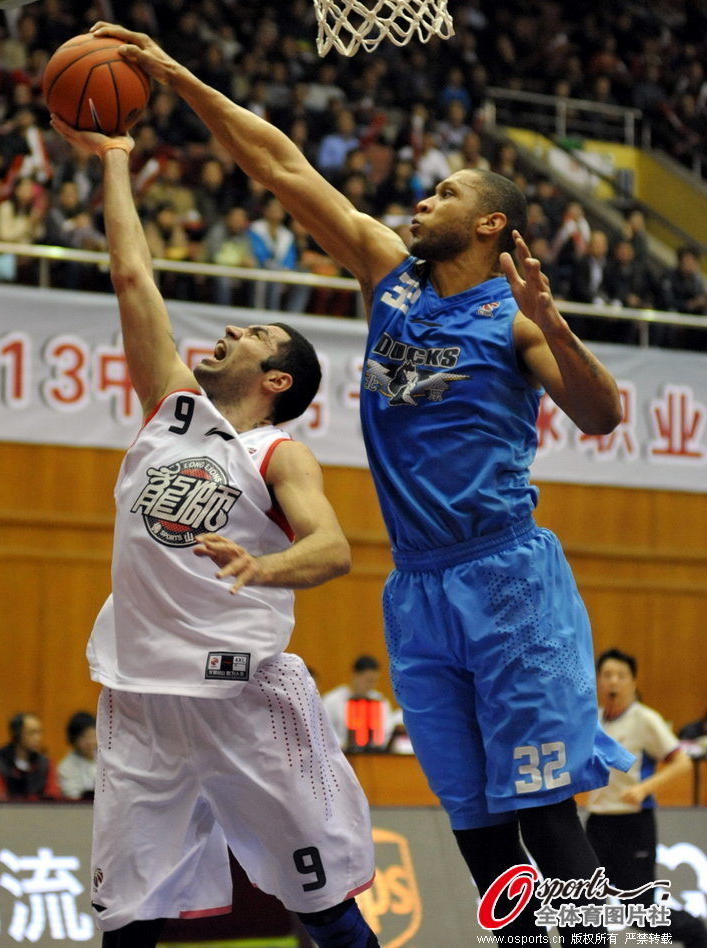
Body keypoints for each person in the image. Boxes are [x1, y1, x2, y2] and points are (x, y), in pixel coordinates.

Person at [94, 21, 635, 944]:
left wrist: (557, 324)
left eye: (445, 194)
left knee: (546, 818)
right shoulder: (390, 278)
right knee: (476, 830)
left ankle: (652, 935)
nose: (423, 202)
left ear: (490, 223)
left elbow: (602, 415)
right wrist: (180, 76)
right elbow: (280, 166)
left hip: (506, 578)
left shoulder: (514, 323)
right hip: (418, 587)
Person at [49, 109, 378, 948]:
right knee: (126, 918)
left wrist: (263, 570)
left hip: (241, 696)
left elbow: (333, 549)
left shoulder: (277, 453)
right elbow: (132, 278)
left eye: (254, 334)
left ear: (275, 378)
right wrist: (116, 160)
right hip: (139, 696)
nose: (229, 330)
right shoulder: (170, 411)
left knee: (320, 910)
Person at [586, 649, 707, 948]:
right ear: (598, 681)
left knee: (640, 913)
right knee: (581, 901)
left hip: (632, 826)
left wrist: (643, 788)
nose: (613, 681)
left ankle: (695, 931)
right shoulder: (594, 721)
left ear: (632, 681)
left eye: (621, 675)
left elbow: (681, 762)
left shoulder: (645, 718)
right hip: (596, 824)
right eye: (607, 675)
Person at [322, 655, 399, 752]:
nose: (371, 685)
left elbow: (387, 731)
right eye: (367, 680)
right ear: (355, 675)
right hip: (340, 754)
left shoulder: (380, 701)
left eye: (374, 681)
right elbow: (324, 730)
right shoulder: (332, 700)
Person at [0, 712, 61, 801]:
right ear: (17, 734)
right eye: (32, 733)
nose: (38, 738)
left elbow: (53, 796)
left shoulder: (46, 764)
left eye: (39, 733)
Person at [57, 711, 97, 800]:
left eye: (92, 736)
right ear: (73, 740)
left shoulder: (106, 759)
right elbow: (73, 798)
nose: (89, 742)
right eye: (83, 737)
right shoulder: (66, 768)